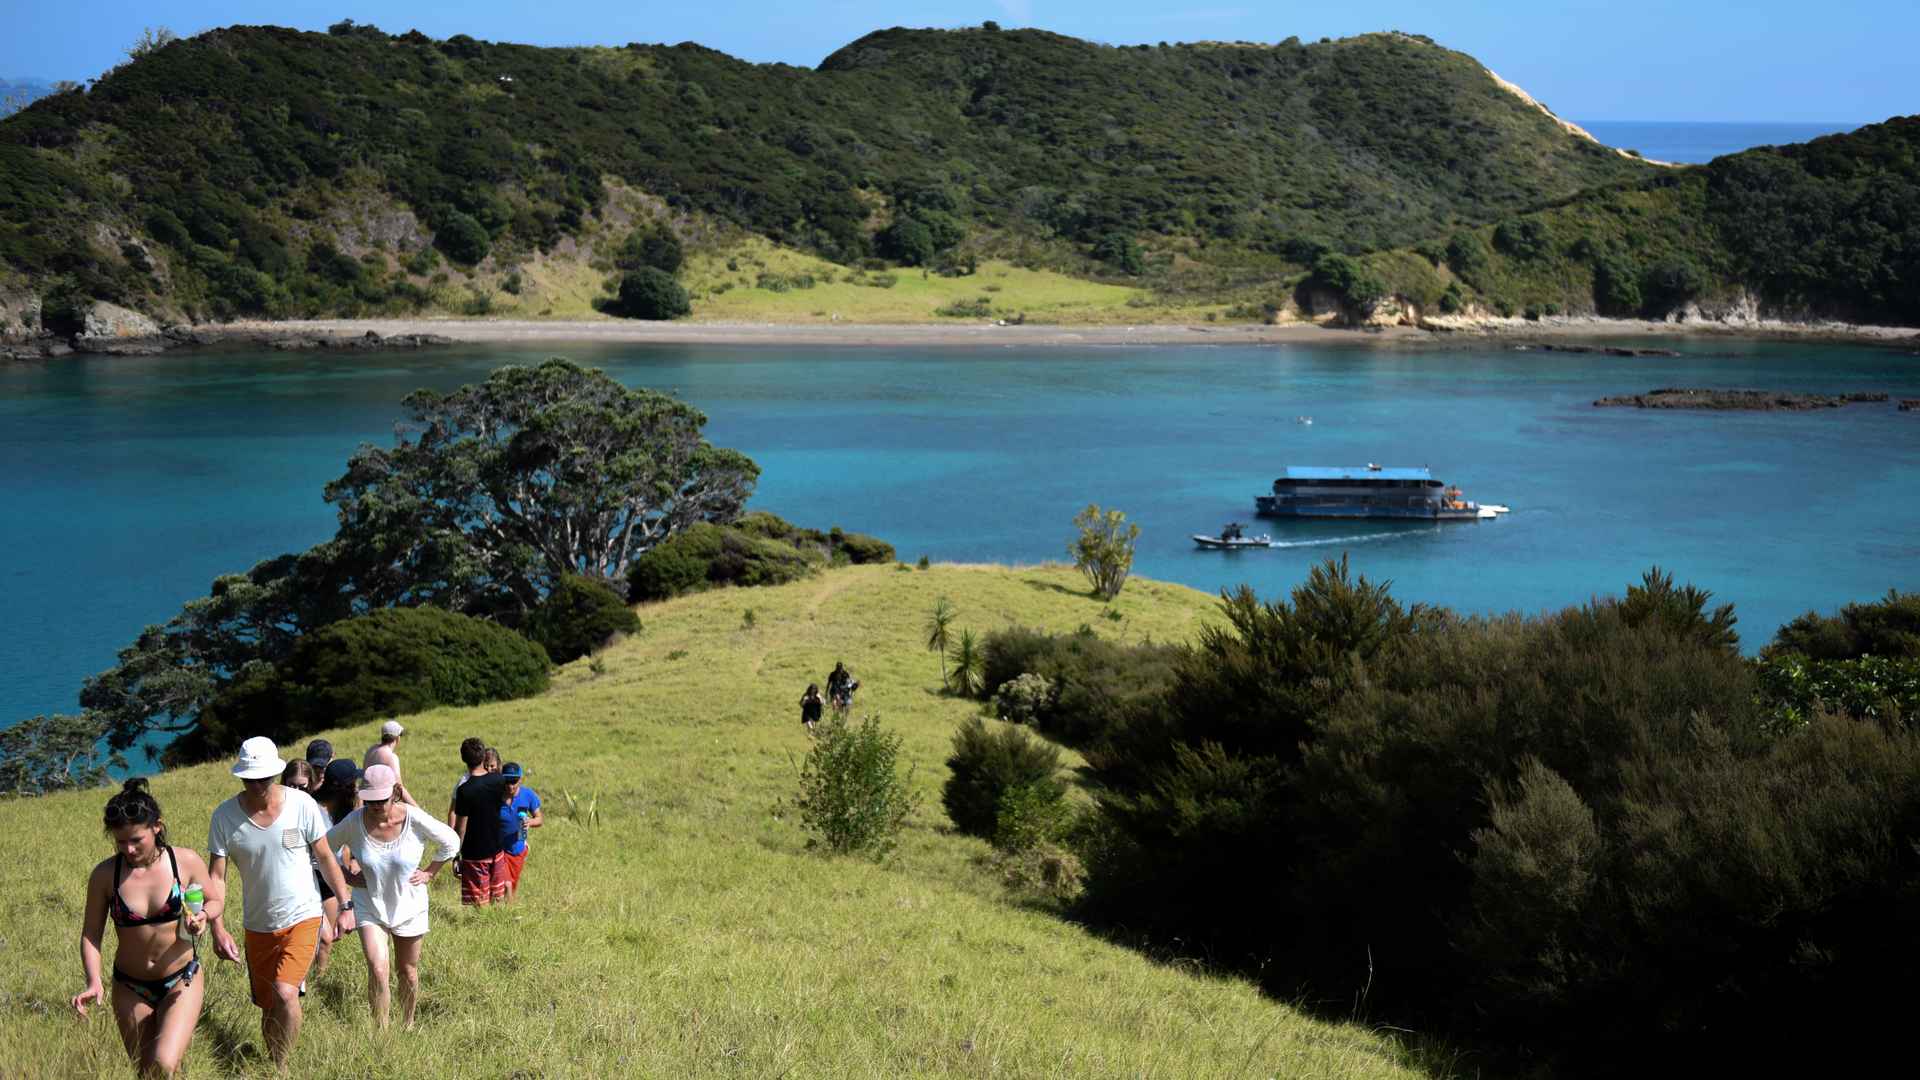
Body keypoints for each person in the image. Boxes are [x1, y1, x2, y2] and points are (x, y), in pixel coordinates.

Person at [206, 737, 357, 1068]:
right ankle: (273, 1061)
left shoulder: (302, 806)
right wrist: (217, 927)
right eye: (250, 778)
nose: (258, 784)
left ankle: (282, 1068)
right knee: (269, 1006)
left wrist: (346, 905)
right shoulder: (224, 817)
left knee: (286, 993)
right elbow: (216, 877)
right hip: (258, 924)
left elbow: (325, 857)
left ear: (275, 773)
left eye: (263, 777)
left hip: (303, 915)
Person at [73, 779, 219, 1079]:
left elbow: (215, 900)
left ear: (156, 827)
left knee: (163, 1063)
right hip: (129, 986)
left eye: (136, 840)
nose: (128, 848)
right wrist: (93, 981)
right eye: (120, 842)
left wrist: (203, 915)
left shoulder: (185, 860)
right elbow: (91, 935)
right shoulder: (104, 875)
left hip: (181, 979)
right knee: (146, 1072)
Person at [323, 764, 459, 1028]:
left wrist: (431, 872)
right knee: (378, 969)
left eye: (381, 799)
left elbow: (451, 841)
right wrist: (346, 877)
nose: (374, 805)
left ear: (395, 793)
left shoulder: (413, 818)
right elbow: (322, 851)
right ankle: (381, 1032)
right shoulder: (354, 822)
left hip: (409, 905)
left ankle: (407, 1023)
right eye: (369, 799)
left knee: (407, 971)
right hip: (370, 904)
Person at [307, 758, 363, 980]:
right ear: (343, 788)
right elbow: (322, 854)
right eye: (354, 784)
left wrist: (349, 873)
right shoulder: (313, 809)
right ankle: (302, 984)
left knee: (329, 940)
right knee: (324, 937)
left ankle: (317, 981)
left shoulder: (340, 811)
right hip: (308, 880)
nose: (357, 789)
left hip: (329, 880)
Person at [450, 767, 513, 907]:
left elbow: (461, 827)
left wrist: (455, 852)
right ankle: (495, 923)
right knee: (497, 896)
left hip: (475, 854)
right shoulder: (498, 780)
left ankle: (485, 923)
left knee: (479, 900)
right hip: (496, 849)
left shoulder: (464, 789)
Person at [498, 763, 543, 902]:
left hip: (518, 849)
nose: (510, 786)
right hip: (499, 849)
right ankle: (507, 917)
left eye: (514, 782)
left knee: (512, 885)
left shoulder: (528, 795)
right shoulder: (495, 796)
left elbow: (539, 819)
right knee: (506, 884)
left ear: (520, 779)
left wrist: (530, 822)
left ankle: (507, 912)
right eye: (507, 781)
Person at [363, 720, 417, 807]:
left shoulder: (371, 750)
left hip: (367, 802)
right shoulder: (391, 757)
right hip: (382, 804)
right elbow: (398, 789)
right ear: (397, 738)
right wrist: (418, 810)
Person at [445, 737, 488, 828]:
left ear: (463, 758)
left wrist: (453, 838)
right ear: (484, 755)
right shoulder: (498, 781)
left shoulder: (463, 785)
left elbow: (453, 811)